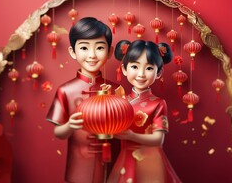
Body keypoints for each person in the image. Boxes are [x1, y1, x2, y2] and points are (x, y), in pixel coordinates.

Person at [46, 17, 118, 183]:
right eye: (84, 48)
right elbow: (58, 133)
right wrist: (70, 125)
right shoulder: (65, 91)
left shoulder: (116, 90)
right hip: (79, 165)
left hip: (112, 162)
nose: (92, 55)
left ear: (109, 51)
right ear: (73, 52)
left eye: (99, 47)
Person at [108, 40, 182, 183]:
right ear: (124, 69)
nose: (141, 74)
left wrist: (131, 135)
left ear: (159, 72)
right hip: (126, 159)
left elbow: (158, 140)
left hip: (150, 161)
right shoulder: (119, 100)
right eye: (135, 66)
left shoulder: (158, 103)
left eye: (148, 68)